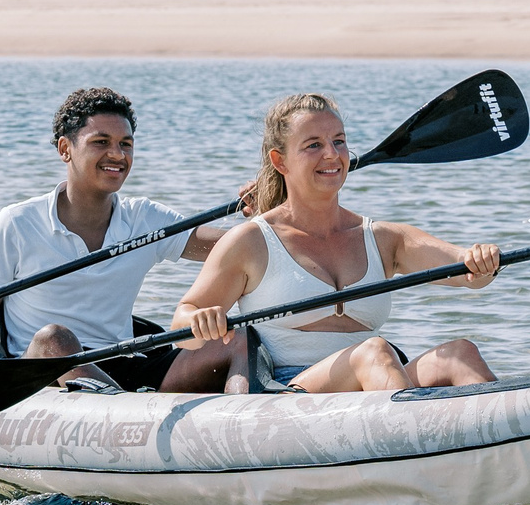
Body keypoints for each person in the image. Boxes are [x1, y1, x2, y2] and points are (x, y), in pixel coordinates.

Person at [165, 92, 498, 395]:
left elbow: (467, 272)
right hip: (289, 393)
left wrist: (481, 261)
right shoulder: (251, 240)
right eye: (314, 145)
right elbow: (183, 321)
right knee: (375, 351)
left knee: (460, 353)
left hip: (376, 377)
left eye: (339, 142)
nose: (332, 155)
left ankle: (499, 451)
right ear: (280, 161)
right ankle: (417, 449)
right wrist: (198, 321)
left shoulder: (383, 238)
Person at [0, 86, 232, 390]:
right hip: (45, 372)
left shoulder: (145, 218)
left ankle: (245, 423)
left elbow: (237, 247)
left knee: (236, 341)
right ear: (64, 149)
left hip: (124, 365)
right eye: (101, 142)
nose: (118, 154)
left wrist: (266, 205)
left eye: (126, 144)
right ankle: (124, 415)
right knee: (54, 338)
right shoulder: (17, 224)